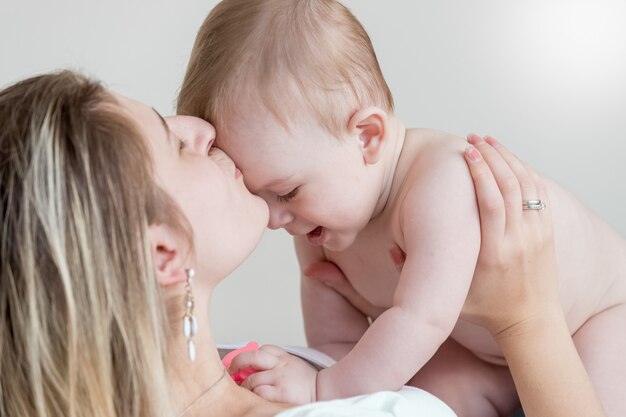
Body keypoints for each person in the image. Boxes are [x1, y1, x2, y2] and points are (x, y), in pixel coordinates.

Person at [0, 70, 607, 417]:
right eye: (175, 142)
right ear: (164, 255)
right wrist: (528, 321)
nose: (203, 129)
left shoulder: (246, 367)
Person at [177, 0, 626, 415]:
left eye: (288, 192)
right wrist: (327, 382)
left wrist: (324, 390)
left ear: (367, 137)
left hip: (594, 317)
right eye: (259, 195)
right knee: (420, 401)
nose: (275, 219)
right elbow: (339, 349)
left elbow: (421, 319)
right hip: (475, 345)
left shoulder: (439, 185)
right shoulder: (319, 226)